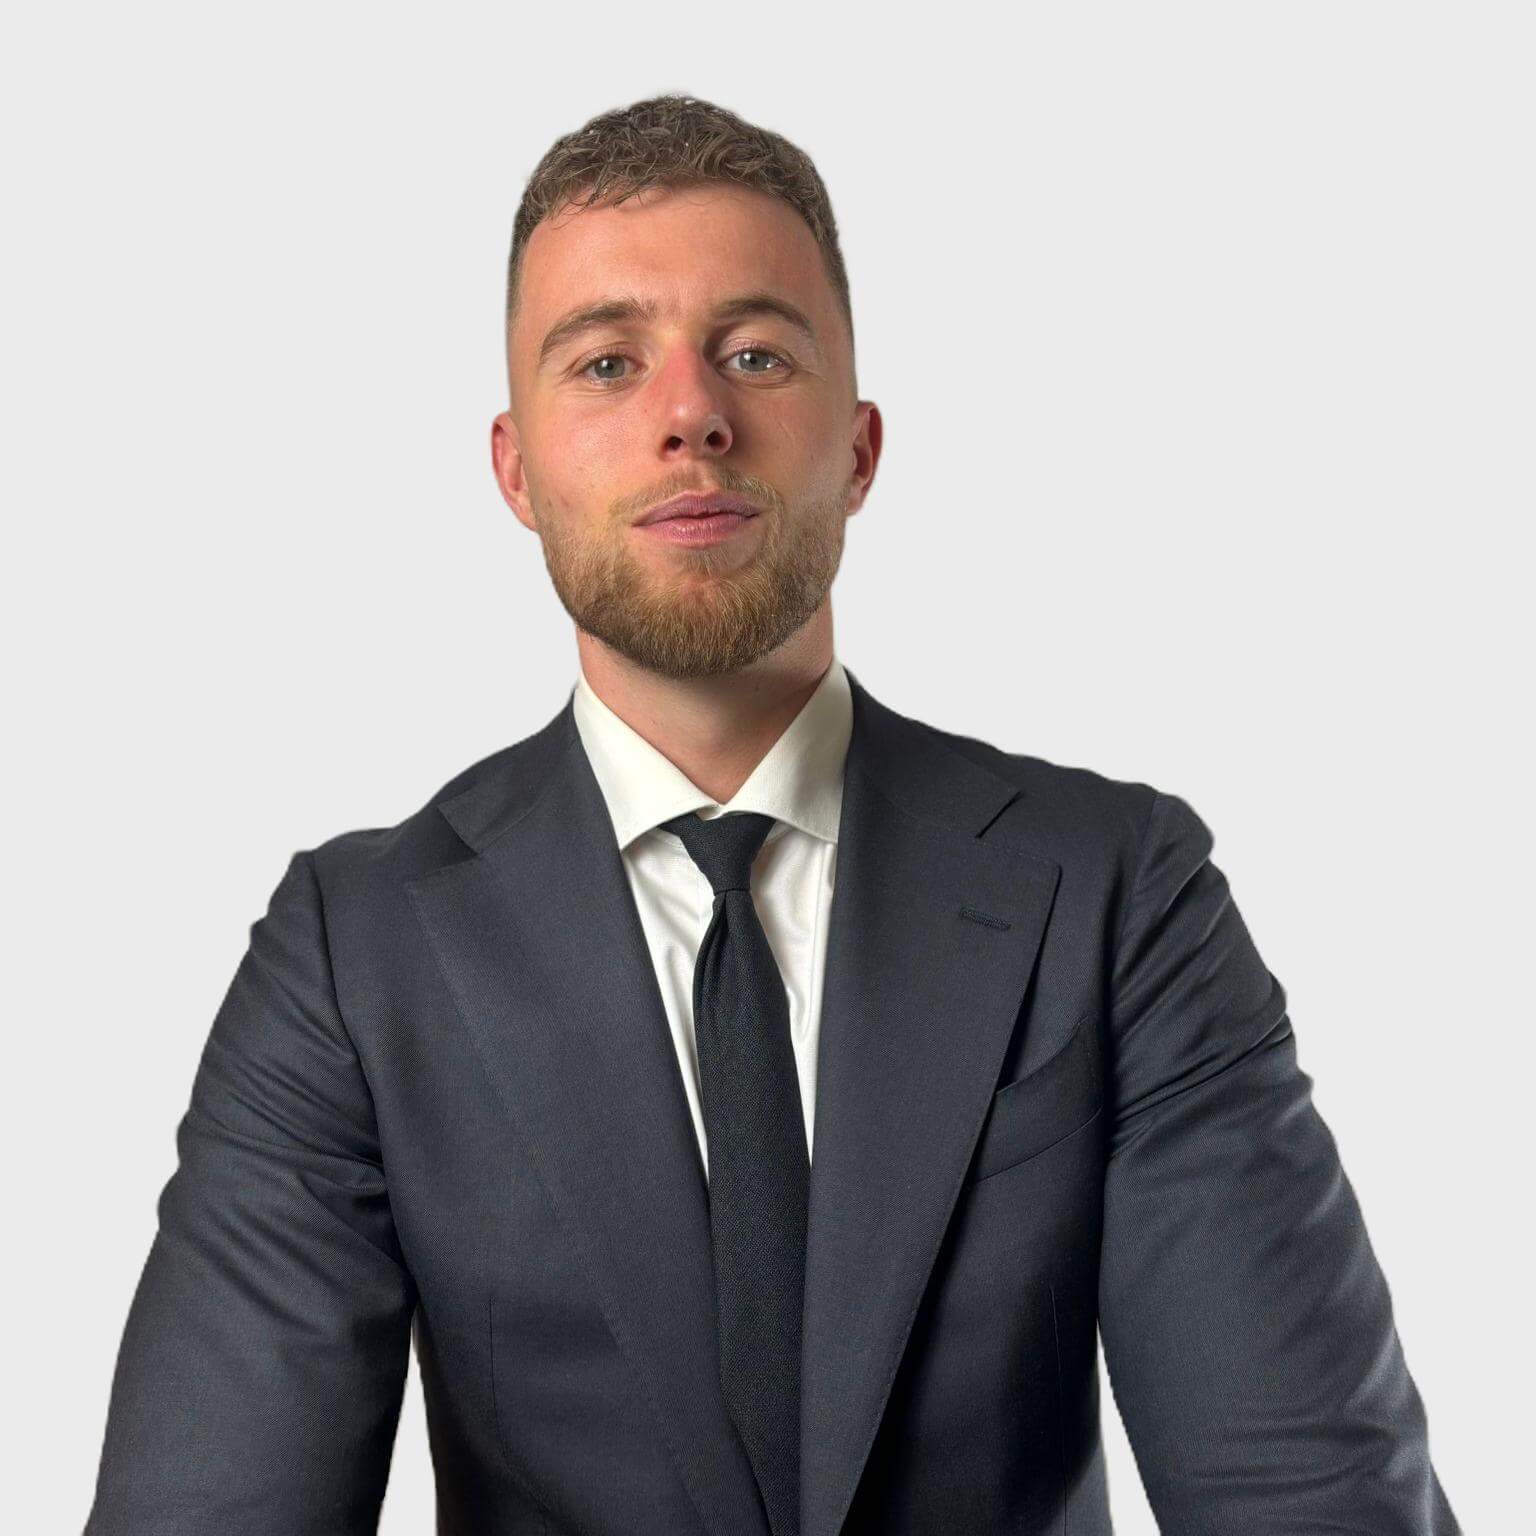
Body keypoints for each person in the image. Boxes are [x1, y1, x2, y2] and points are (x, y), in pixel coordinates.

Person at [83, 93, 1460, 1536]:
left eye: (754, 353)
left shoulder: (1113, 893)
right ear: (516, 471)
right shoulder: (352, 955)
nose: (692, 414)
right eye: (607, 363)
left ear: (858, 450)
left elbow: (1310, 1495)